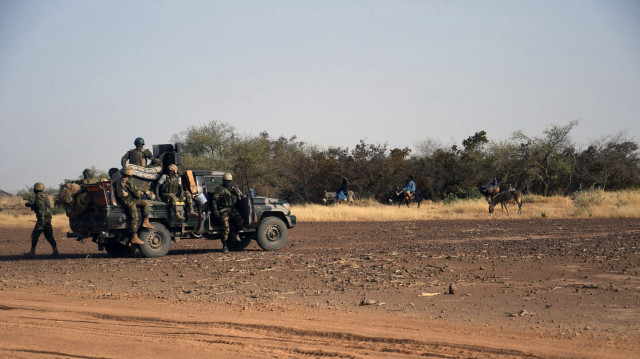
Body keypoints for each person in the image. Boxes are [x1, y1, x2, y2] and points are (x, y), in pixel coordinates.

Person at [115, 166, 154, 245]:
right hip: (129, 201)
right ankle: (134, 236)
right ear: (130, 175)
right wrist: (141, 194)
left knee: (144, 204)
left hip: (124, 200)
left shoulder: (119, 181)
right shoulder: (129, 182)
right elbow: (136, 193)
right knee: (135, 216)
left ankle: (145, 221)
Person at [211, 172, 244, 253]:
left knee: (241, 221)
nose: (228, 183)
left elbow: (239, 196)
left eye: (230, 181)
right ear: (223, 181)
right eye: (227, 181)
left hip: (231, 209)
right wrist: (216, 211)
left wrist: (235, 189)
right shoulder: (219, 189)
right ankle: (224, 246)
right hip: (223, 210)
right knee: (226, 228)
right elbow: (214, 201)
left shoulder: (232, 188)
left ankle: (235, 233)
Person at [24, 182, 59, 258]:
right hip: (47, 218)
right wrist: (31, 205)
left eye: (34, 188)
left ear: (36, 189)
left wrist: (41, 220)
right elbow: (44, 207)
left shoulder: (38, 196)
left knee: (34, 235)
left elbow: (40, 208)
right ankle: (55, 251)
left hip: (42, 219)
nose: (33, 190)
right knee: (49, 236)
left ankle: (32, 252)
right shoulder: (45, 196)